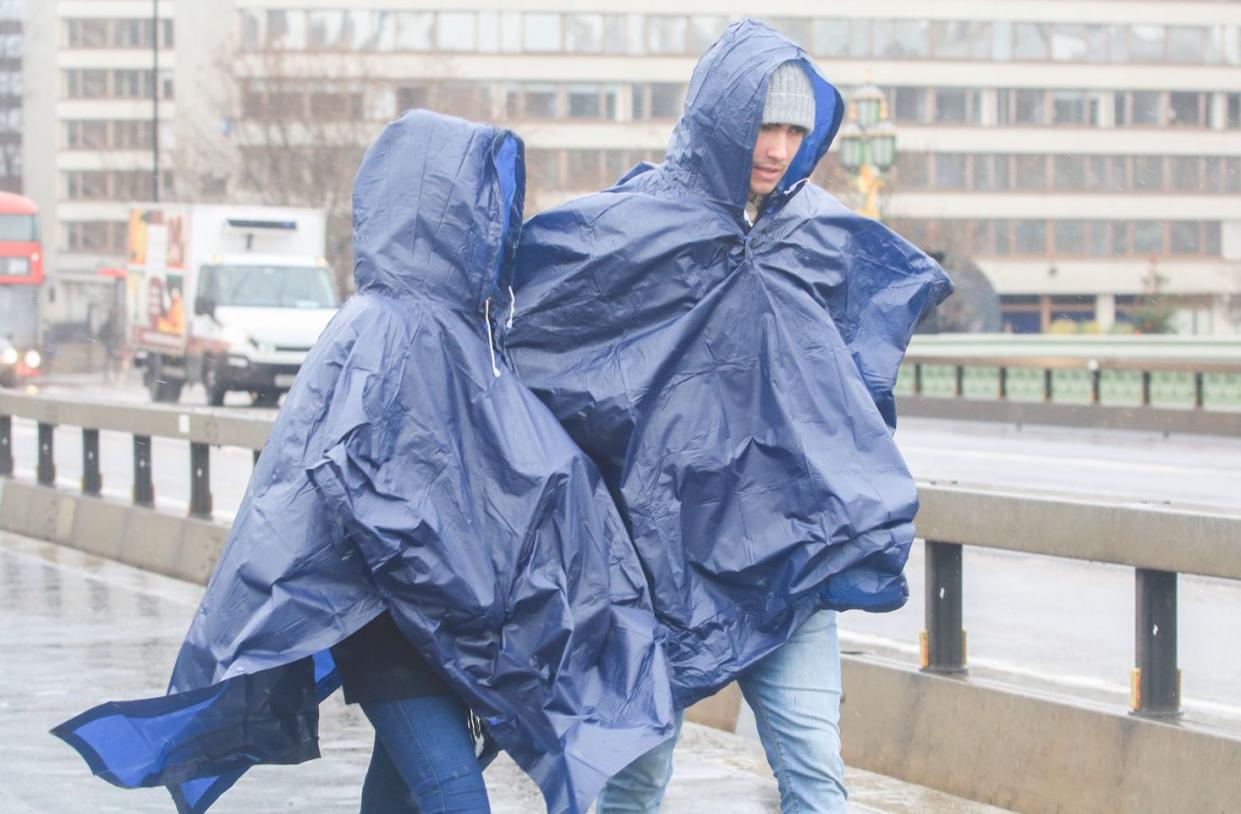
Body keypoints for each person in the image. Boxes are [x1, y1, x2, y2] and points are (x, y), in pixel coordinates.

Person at [53, 110, 674, 814]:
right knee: (453, 795)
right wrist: (459, 579)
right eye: (479, 205)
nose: (493, 224)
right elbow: (363, 491)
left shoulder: (469, 335)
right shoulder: (383, 329)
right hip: (385, 621)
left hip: (448, 624)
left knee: (400, 794)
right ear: (433, 208)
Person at [507, 19, 952, 814]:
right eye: (761, 125)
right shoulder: (633, 228)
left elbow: (856, 374)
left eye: (792, 129)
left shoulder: (814, 234)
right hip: (654, 564)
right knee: (635, 781)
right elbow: (544, 341)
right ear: (720, 119)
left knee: (816, 773)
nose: (776, 147)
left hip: (788, 557)